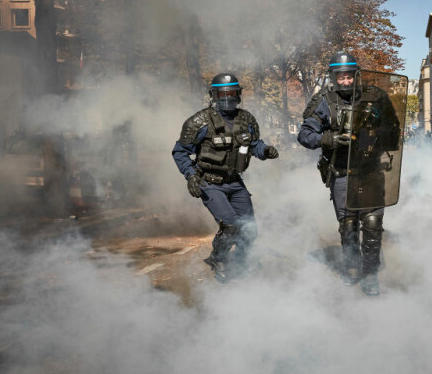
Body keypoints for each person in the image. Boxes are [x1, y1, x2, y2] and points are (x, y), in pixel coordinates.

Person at [297, 53, 401, 296]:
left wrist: (376, 131)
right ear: (334, 78)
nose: (345, 81)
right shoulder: (324, 101)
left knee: (373, 224)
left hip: (371, 171)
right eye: (340, 76)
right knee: (349, 225)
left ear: (357, 75)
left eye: (349, 75)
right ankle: (352, 267)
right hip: (341, 173)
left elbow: (394, 132)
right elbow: (304, 135)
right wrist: (328, 138)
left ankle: (370, 273)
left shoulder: (376, 97)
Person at [172, 73, 279, 282]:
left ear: (239, 95)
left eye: (231, 93)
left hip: (235, 182)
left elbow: (255, 145)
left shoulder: (247, 119)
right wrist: (191, 176)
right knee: (230, 225)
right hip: (209, 182)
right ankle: (218, 258)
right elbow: (180, 151)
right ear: (213, 95)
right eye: (222, 94)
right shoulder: (199, 122)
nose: (227, 98)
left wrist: (265, 150)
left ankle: (240, 263)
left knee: (249, 230)